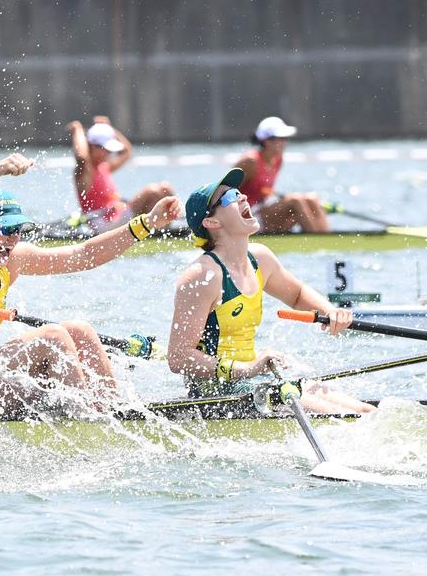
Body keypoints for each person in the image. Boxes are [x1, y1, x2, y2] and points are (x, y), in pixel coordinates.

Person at [0, 154, 182, 415]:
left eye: (18, 230)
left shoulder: (12, 261)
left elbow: (84, 255)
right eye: (6, 231)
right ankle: (87, 419)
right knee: (53, 336)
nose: (14, 239)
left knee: (79, 330)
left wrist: (147, 224)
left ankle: (109, 411)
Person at [167, 169, 370, 413]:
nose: (242, 197)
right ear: (211, 222)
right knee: (343, 417)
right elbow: (178, 357)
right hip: (216, 393)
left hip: (254, 381)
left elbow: (296, 295)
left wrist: (330, 311)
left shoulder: (260, 258)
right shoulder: (202, 276)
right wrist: (248, 369)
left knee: (367, 412)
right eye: (230, 197)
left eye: (239, 192)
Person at [67, 116, 174, 234]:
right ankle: (163, 233)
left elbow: (127, 152)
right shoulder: (85, 171)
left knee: (165, 189)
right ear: (92, 146)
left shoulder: (104, 166)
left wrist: (110, 129)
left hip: (118, 215)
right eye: (105, 149)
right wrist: (77, 130)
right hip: (101, 223)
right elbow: (82, 158)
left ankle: (164, 229)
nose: (109, 153)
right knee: (152, 191)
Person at [232, 116, 330, 234]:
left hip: (262, 210)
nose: (285, 143)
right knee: (295, 200)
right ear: (267, 141)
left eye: (285, 138)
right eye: (281, 138)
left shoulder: (278, 160)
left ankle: (327, 238)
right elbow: (225, 190)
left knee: (311, 198)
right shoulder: (250, 161)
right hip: (245, 216)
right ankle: (317, 241)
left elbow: (262, 191)